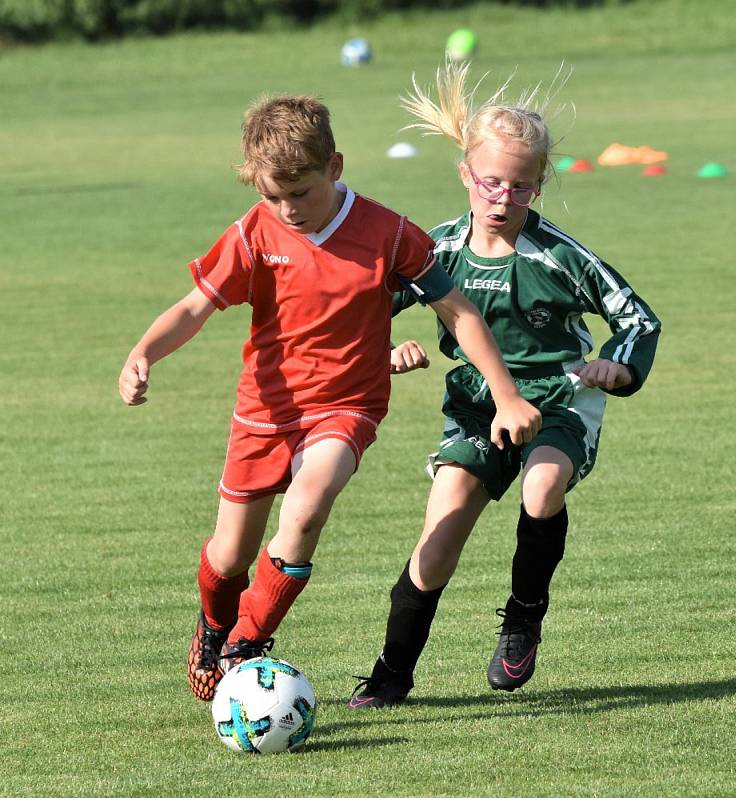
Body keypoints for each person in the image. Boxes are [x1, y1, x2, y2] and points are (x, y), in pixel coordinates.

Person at [118, 93, 541, 702]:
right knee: (230, 552)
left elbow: (458, 310)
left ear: (335, 167)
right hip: (265, 410)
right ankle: (215, 623)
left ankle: (247, 641)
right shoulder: (252, 233)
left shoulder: (389, 233)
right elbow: (194, 306)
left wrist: (505, 394)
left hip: (346, 406)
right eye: (273, 196)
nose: (289, 209)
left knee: (310, 502)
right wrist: (143, 353)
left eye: (302, 194)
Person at [348, 63, 661, 708]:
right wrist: (386, 349)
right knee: (437, 544)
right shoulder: (434, 255)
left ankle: (522, 618)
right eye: (490, 181)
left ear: (539, 185)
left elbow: (638, 318)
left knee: (543, 484)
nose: (502, 197)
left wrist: (617, 367)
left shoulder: (561, 257)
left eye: (520, 187)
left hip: (558, 401)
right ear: (466, 174)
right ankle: (390, 675)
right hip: (473, 408)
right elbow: (358, 318)